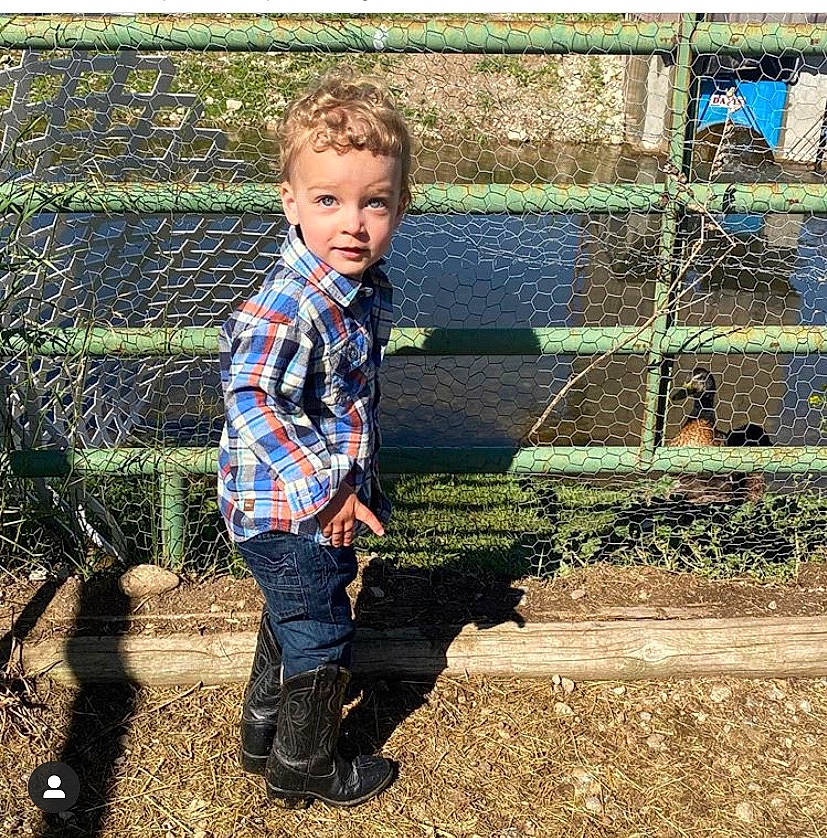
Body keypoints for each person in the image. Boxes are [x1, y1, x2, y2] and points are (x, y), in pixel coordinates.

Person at [217, 67, 411, 809]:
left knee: (295, 609)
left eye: (374, 203)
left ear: (399, 206)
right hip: (289, 507)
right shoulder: (290, 305)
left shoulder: (351, 288)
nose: (351, 223)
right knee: (322, 628)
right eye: (328, 201)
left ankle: (263, 729)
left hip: (305, 504)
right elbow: (250, 397)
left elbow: (340, 402)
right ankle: (304, 765)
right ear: (291, 202)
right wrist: (327, 487)